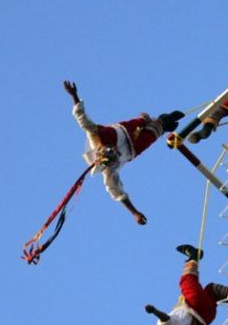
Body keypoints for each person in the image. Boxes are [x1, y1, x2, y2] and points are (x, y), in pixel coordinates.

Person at [64, 80, 185, 225]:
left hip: (124, 131)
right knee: (151, 134)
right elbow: (116, 191)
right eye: (114, 155)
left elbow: (81, 117)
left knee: (142, 122)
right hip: (132, 149)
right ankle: (162, 125)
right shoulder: (109, 169)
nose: (115, 152)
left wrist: (74, 95)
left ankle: (158, 119)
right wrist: (134, 212)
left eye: (112, 151)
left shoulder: (96, 135)